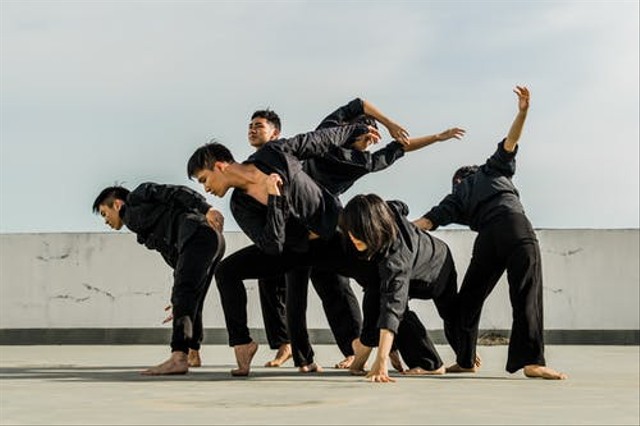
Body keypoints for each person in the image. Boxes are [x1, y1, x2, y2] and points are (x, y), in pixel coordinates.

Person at [250, 100, 465, 371]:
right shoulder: (328, 134)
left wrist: (436, 137)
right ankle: (304, 355)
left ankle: (360, 347)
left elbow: (400, 147)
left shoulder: (364, 161)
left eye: (373, 141)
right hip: (298, 221)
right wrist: (389, 123)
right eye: (368, 138)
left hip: (324, 226)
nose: (370, 144)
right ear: (355, 131)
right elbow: (359, 104)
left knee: (340, 284)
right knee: (295, 285)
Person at [188, 123, 378, 376]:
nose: (206, 188)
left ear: (220, 166)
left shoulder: (273, 154)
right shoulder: (240, 205)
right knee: (227, 271)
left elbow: (319, 139)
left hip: (329, 236)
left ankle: (388, 347)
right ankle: (243, 344)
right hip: (290, 249)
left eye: (205, 180)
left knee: (376, 277)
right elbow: (271, 245)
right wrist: (275, 200)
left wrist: (356, 129)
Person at [413, 86, 568, 380]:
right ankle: (532, 362)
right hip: (515, 228)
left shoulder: (455, 197)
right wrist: (523, 112)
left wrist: (384, 225)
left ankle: (466, 358)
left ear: (456, 181)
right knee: (525, 294)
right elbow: (511, 141)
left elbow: (425, 223)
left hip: (487, 240)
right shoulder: (490, 170)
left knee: (467, 301)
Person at [92, 183, 225, 375]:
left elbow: (176, 192)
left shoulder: (138, 196)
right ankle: (192, 352)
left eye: (105, 213)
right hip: (208, 241)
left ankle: (178, 357)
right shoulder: (143, 229)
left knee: (185, 294)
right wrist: (178, 298)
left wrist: (207, 209)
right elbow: (176, 259)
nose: (106, 221)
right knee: (190, 298)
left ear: (117, 204)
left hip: (199, 233)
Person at [337, 194, 461, 383]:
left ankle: (431, 365)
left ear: (372, 228)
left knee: (397, 307)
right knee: (374, 293)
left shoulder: (396, 256)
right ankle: (360, 357)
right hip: (416, 263)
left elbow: (392, 306)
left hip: (436, 270)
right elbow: (400, 205)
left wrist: (381, 361)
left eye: (358, 232)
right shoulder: (382, 214)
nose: (352, 236)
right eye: (350, 231)